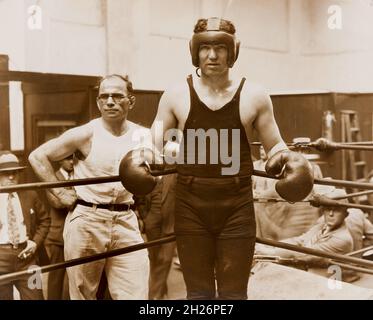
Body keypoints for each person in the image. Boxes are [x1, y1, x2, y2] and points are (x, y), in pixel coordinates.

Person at [120, 17, 314, 300]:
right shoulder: (175, 94)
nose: (212, 55)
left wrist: (289, 160)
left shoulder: (255, 95)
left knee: (234, 293)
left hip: (237, 206)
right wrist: (143, 157)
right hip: (190, 205)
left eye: (220, 47)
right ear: (194, 51)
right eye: (205, 47)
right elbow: (153, 141)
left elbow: (275, 146)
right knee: (198, 293)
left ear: (232, 51)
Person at [28, 74, 150, 300]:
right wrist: (61, 192)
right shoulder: (86, 133)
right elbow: (38, 156)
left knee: (136, 293)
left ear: (131, 101)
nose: (110, 101)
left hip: (126, 219)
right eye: (104, 97)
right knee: (83, 295)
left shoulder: (143, 135)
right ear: (97, 102)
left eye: (117, 96)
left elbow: (157, 172)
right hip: (87, 220)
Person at [255, 189, 354, 267]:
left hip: (322, 282)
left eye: (336, 211)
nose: (331, 214)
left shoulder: (343, 238)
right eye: (328, 209)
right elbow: (300, 240)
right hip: (307, 273)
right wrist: (272, 247)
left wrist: (270, 252)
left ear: (346, 214)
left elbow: (305, 253)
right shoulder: (322, 225)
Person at [0, 151, 50, 300]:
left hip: (28, 258)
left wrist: (35, 242)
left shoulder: (30, 194)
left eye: (14, 173)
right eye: (6, 173)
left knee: (35, 297)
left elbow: (45, 220)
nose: (11, 177)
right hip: (1, 259)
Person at [44, 154, 74, 300]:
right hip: (58, 237)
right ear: (60, 160)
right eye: (68, 158)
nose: (72, 162)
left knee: (77, 277)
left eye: (74, 158)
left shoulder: (80, 175)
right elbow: (58, 203)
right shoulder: (52, 177)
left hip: (77, 234)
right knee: (56, 277)